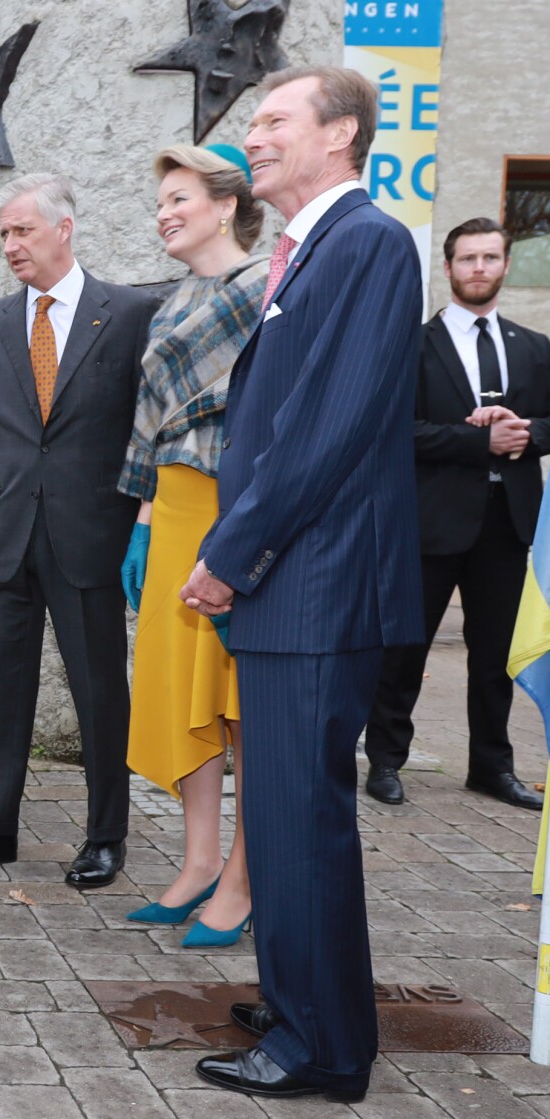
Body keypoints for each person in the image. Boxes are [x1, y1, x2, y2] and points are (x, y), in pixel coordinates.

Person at [180, 66, 423, 1101]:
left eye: (275, 120)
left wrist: (231, 556)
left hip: (315, 587)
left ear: (340, 135)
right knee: (280, 817)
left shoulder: (367, 242)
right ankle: (303, 998)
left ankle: (322, 1050)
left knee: (296, 817)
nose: (255, 137)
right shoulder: (314, 247)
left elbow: (324, 431)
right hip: (298, 584)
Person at [0, 174, 158, 879]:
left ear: (64, 229)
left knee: (99, 691)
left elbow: (144, 430)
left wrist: (142, 515)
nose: (11, 245)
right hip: (2, 537)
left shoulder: (126, 314)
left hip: (91, 536)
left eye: (22, 230)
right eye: (3, 233)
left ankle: (105, 835)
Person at [118, 145, 267, 946]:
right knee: (183, 696)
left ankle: (242, 883)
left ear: (225, 203)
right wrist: (141, 521)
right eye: (160, 202)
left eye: (179, 198)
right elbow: (149, 415)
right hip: (171, 510)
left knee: (237, 701)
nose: (165, 213)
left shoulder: (265, 287)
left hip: (229, 510)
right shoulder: (176, 298)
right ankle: (199, 859)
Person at [364, 217, 550, 810]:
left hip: (508, 522)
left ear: (504, 265)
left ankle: (492, 768)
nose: (479, 268)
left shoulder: (533, 347)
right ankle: (386, 761)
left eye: (490, 258)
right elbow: (394, 431)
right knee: (404, 649)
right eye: (467, 259)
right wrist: (476, 442)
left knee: (495, 655)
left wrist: (523, 433)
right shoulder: (411, 345)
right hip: (431, 520)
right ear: (447, 268)